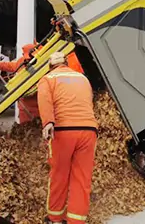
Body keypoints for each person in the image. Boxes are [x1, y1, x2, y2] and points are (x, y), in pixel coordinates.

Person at [38, 51, 98, 224]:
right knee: (82, 178)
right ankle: (76, 220)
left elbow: (44, 100)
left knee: (59, 174)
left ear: (50, 66)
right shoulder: (82, 79)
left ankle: (55, 218)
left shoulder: (48, 79)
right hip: (88, 130)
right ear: (66, 63)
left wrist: (48, 123)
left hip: (64, 131)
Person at [0, 42, 39, 124]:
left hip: (38, 106)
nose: (29, 60)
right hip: (24, 106)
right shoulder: (21, 62)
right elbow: (10, 66)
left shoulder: (42, 64)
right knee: (25, 127)